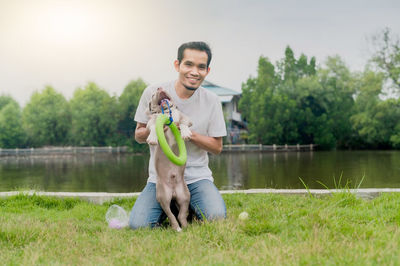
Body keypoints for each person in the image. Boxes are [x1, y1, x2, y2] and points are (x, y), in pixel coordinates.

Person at [129, 41, 227, 229]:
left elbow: (217, 147)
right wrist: (157, 127)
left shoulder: (212, 100)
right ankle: (172, 210)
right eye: (188, 64)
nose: (194, 72)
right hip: (161, 178)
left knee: (216, 218)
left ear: (207, 70)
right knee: (138, 226)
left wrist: (186, 131)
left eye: (201, 67)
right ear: (177, 65)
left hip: (197, 177)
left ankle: (187, 207)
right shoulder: (154, 92)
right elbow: (138, 135)